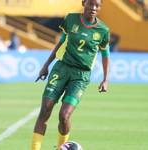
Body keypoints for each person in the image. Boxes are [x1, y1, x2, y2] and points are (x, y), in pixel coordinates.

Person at [31, 0, 110, 149]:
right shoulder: (71, 19)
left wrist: (105, 79)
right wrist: (46, 65)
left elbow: (106, 54)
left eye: (97, 5)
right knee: (45, 109)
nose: (93, 8)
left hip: (81, 75)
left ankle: (61, 147)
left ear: (100, 7)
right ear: (83, 3)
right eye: (90, 4)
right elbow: (61, 42)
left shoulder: (103, 30)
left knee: (64, 115)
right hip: (61, 68)